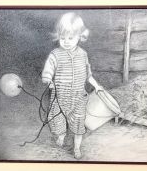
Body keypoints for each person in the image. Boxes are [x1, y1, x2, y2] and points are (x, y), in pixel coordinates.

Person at [42, 12, 103, 159]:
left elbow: (88, 74)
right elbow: (48, 70)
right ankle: (61, 136)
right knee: (58, 121)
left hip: (78, 98)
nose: (66, 41)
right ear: (58, 37)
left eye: (70, 38)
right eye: (62, 38)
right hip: (59, 97)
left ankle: (77, 148)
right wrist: (49, 80)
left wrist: (97, 86)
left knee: (78, 124)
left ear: (80, 36)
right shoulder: (55, 54)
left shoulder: (83, 54)